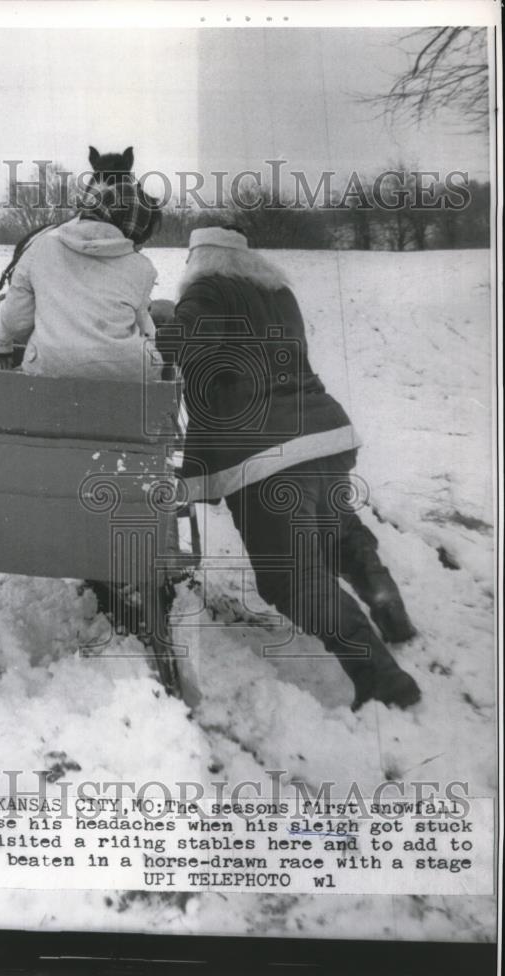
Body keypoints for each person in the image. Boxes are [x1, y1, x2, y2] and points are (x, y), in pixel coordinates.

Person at [158, 225, 421, 711]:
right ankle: (390, 608)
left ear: (200, 258)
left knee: (291, 577)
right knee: (336, 532)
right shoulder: (278, 292)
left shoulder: (205, 291)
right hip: (323, 433)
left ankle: (384, 681)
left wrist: (154, 327)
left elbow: (183, 345)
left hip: (265, 454)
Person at [0, 179, 162, 381]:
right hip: (126, 370)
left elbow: (15, 323)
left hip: (48, 365)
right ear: (133, 228)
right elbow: (145, 326)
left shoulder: (41, 247)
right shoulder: (142, 267)